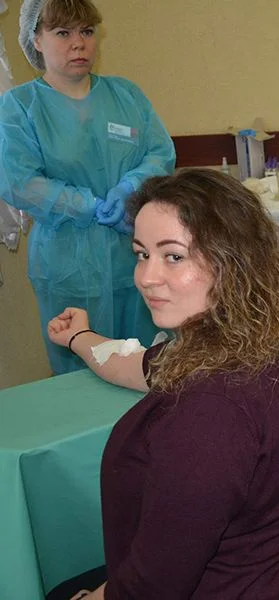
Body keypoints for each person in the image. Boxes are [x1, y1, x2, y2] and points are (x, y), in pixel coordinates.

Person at [43, 170, 279, 600]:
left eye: (173, 256)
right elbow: (139, 364)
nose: (146, 277)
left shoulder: (210, 411)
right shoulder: (253, 335)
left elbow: (154, 583)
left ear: (233, 261)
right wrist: (79, 338)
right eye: (142, 254)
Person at [0, 0, 176, 375]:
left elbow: (160, 152)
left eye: (87, 31)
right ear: (36, 39)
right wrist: (86, 204)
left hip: (136, 254)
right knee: (80, 369)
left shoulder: (126, 95)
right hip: (68, 263)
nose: (78, 43)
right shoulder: (20, 107)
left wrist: (131, 186)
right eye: (63, 32)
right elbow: (18, 181)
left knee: (148, 363)